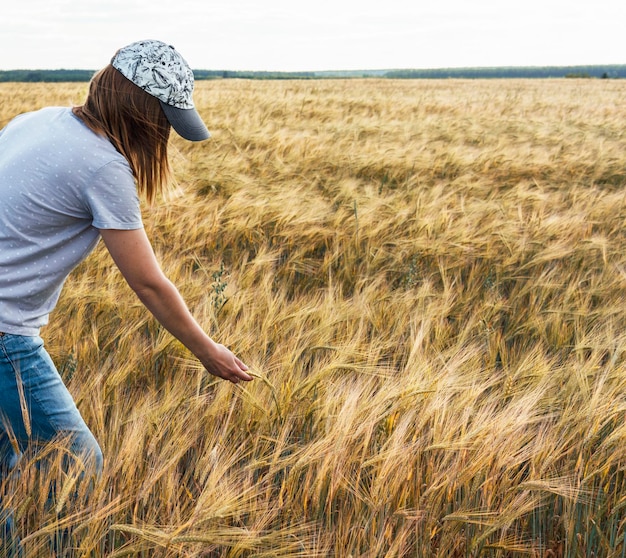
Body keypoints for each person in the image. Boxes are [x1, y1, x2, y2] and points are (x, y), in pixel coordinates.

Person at [0, 39, 253, 551]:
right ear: (144, 112)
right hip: (5, 333)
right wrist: (210, 353)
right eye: (165, 118)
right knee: (76, 461)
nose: (164, 133)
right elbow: (148, 282)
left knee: (14, 461)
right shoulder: (104, 166)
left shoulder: (39, 119)